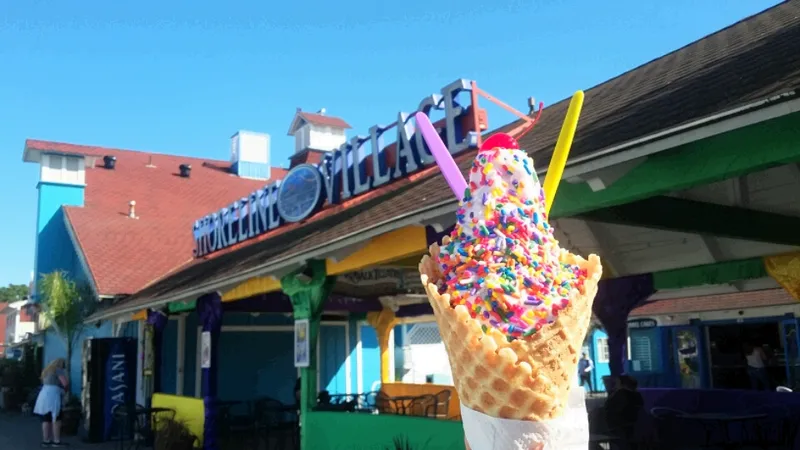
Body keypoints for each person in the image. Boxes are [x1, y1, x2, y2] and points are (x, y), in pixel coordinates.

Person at [33, 358, 70, 448]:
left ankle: (46, 440)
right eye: (63, 364)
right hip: (54, 395)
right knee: (56, 418)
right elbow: (65, 383)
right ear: (60, 364)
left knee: (46, 419)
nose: (64, 367)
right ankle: (56, 441)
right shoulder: (58, 370)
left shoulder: (46, 371)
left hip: (43, 394)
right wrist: (65, 391)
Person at [604, 375, 644, 447]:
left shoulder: (620, 394)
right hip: (633, 426)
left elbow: (610, 408)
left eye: (617, 382)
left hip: (619, 426)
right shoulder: (637, 395)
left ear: (622, 384)